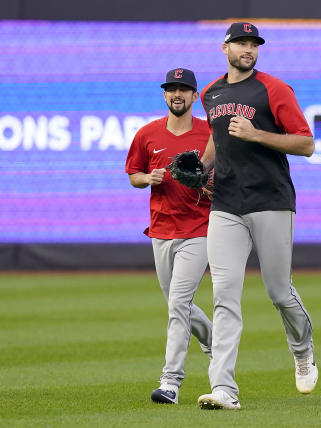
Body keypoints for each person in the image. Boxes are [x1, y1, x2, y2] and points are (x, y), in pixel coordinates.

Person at [195, 22, 317, 411]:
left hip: (271, 200)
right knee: (224, 296)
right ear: (224, 47)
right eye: (241, 43)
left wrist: (257, 134)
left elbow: (306, 143)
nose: (248, 49)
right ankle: (224, 389)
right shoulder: (210, 92)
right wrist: (201, 168)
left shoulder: (274, 89)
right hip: (226, 204)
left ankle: (302, 349)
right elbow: (217, 135)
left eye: (253, 44)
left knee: (279, 292)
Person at [125, 68, 213, 405]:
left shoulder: (209, 133)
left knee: (178, 304)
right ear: (165, 96)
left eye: (184, 90)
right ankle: (215, 340)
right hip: (161, 230)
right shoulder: (148, 134)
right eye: (171, 89)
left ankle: (170, 383)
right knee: (180, 304)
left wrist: (208, 183)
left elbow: (226, 176)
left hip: (198, 228)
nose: (177, 95)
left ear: (194, 97)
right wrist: (149, 177)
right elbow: (133, 174)